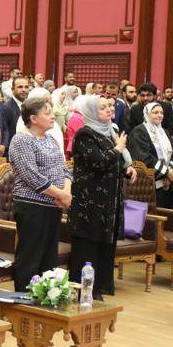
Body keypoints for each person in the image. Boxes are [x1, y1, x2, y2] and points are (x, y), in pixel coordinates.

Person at [69, 95, 138, 298]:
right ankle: (84, 290)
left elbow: (113, 162)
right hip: (89, 202)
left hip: (109, 201)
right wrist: (118, 148)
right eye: (102, 108)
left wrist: (127, 169)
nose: (109, 109)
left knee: (105, 245)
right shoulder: (85, 134)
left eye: (109, 106)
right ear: (91, 112)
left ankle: (99, 287)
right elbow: (98, 162)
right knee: (88, 245)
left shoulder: (110, 132)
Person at [9, 96, 71, 291]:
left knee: (48, 258)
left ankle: (45, 297)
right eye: (47, 113)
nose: (53, 116)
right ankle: (24, 300)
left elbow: (64, 169)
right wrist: (61, 195)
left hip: (53, 206)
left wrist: (66, 191)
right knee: (30, 257)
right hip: (32, 207)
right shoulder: (21, 140)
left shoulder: (51, 139)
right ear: (33, 118)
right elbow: (32, 176)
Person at [128, 101, 173, 208]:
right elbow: (144, 158)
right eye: (155, 112)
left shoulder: (165, 132)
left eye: (161, 113)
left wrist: (170, 173)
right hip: (148, 184)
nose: (159, 115)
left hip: (167, 183)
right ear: (147, 114)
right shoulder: (139, 131)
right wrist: (166, 172)